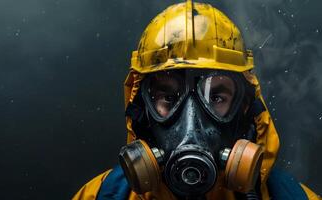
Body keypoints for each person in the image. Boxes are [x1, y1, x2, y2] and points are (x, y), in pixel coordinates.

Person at [73, 1, 320, 199]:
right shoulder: (101, 195)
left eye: (216, 97)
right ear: (142, 109)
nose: (192, 121)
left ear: (244, 107)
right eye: (169, 97)